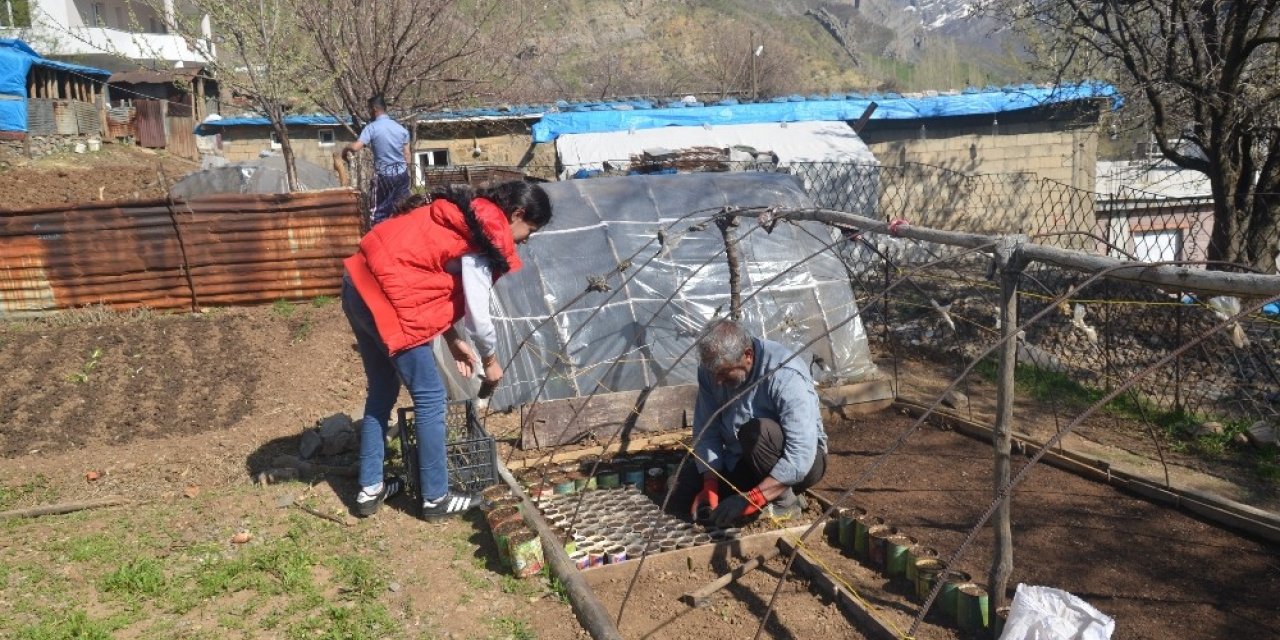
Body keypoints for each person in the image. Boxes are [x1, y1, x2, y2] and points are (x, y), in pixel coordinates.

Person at [341, 180, 553, 519]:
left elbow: (420, 276)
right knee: (431, 398)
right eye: (530, 230)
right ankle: (435, 498)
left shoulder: (458, 213)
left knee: (381, 390)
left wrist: (453, 342)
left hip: (358, 285)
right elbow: (478, 316)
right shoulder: (487, 235)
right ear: (517, 214)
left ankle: (370, 489)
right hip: (390, 302)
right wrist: (490, 360)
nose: (525, 241)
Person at [671, 319, 828, 527]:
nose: (717, 381)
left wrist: (753, 499)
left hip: (803, 463)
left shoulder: (784, 373)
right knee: (680, 487)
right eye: (713, 373)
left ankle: (785, 502)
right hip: (744, 457)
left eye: (723, 373)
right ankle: (758, 491)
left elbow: (801, 453)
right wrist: (710, 484)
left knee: (755, 432)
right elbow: (707, 429)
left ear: (747, 355)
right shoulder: (711, 371)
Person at [342, 95, 411, 227]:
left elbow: (356, 147)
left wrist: (345, 149)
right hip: (402, 174)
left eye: (369, 109)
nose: (369, 112)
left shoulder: (372, 128)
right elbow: (407, 156)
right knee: (403, 209)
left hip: (384, 176)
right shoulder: (401, 129)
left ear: (374, 109)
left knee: (378, 212)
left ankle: (377, 236)